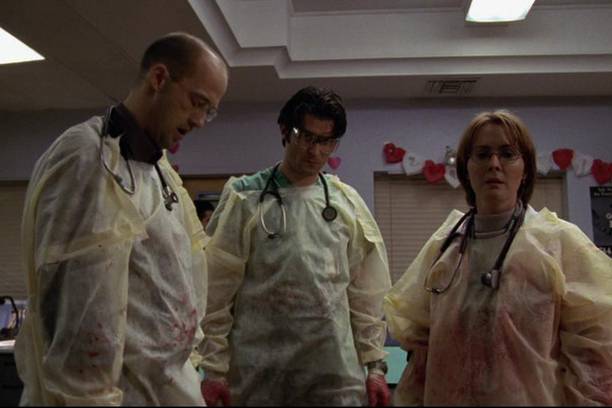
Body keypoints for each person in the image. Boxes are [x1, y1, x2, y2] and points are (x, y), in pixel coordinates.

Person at [14, 32, 228, 405]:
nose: (199, 121)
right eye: (197, 103)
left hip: (170, 389)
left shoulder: (159, 170)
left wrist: (195, 369)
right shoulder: (88, 159)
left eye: (209, 111)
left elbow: (182, 286)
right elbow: (79, 325)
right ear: (159, 78)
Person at [384, 110, 612, 405]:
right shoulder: (443, 248)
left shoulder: (559, 244)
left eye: (507, 154)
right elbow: (420, 352)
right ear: (466, 168)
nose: (494, 164)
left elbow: (595, 358)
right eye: (482, 154)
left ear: (525, 168)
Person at [197, 86, 392, 406]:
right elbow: (216, 292)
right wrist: (214, 369)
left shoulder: (346, 203)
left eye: (326, 141)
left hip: (334, 376)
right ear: (285, 130)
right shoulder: (246, 197)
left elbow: (365, 295)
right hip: (258, 375)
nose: (315, 151)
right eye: (306, 137)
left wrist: (375, 366)